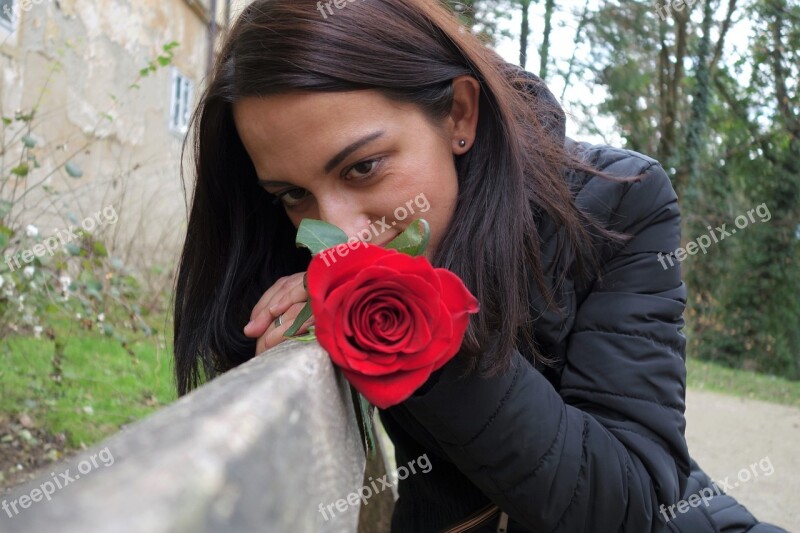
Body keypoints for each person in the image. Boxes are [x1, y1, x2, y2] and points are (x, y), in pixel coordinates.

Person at [172, 1, 787, 531]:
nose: (339, 242)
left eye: (363, 167)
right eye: (291, 195)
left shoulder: (621, 201)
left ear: (459, 115)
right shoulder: (301, 247)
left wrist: (422, 325)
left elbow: (631, 506)